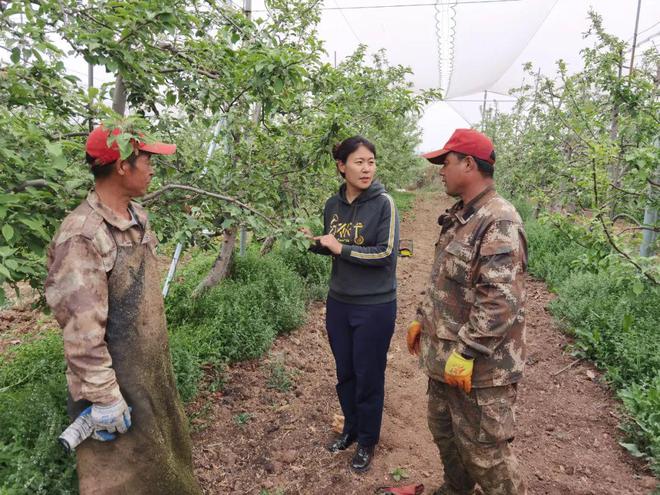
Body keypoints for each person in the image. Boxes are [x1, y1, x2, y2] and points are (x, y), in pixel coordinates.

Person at [45, 124, 202, 494]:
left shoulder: (136, 219)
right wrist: (106, 398)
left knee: (164, 469)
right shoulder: (83, 236)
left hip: (148, 378)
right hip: (113, 392)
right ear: (121, 166)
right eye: (147, 159)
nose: (152, 168)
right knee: (121, 482)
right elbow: (82, 334)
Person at [407, 129, 527, 495]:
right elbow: (445, 278)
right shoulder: (462, 215)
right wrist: (421, 317)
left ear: (469, 164)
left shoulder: (498, 220)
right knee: (447, 435)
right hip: (446, 359)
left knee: (485, 454)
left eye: (446, 163)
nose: (440, 171)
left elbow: (499, 300)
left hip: (480, 369)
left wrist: (468, 351)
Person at [308, 135, 399, 473]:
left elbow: (386, 254)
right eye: (359, 162)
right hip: (340, 302)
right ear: (341, 166)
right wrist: (315, 242)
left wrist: (340, 249)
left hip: (375, 306)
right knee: (345, 372)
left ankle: (367, 441)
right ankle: (350, 427)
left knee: (369, 374)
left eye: (371, 162)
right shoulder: (333, 206)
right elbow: (333, 244)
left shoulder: (384, 203)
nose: (366, 168)